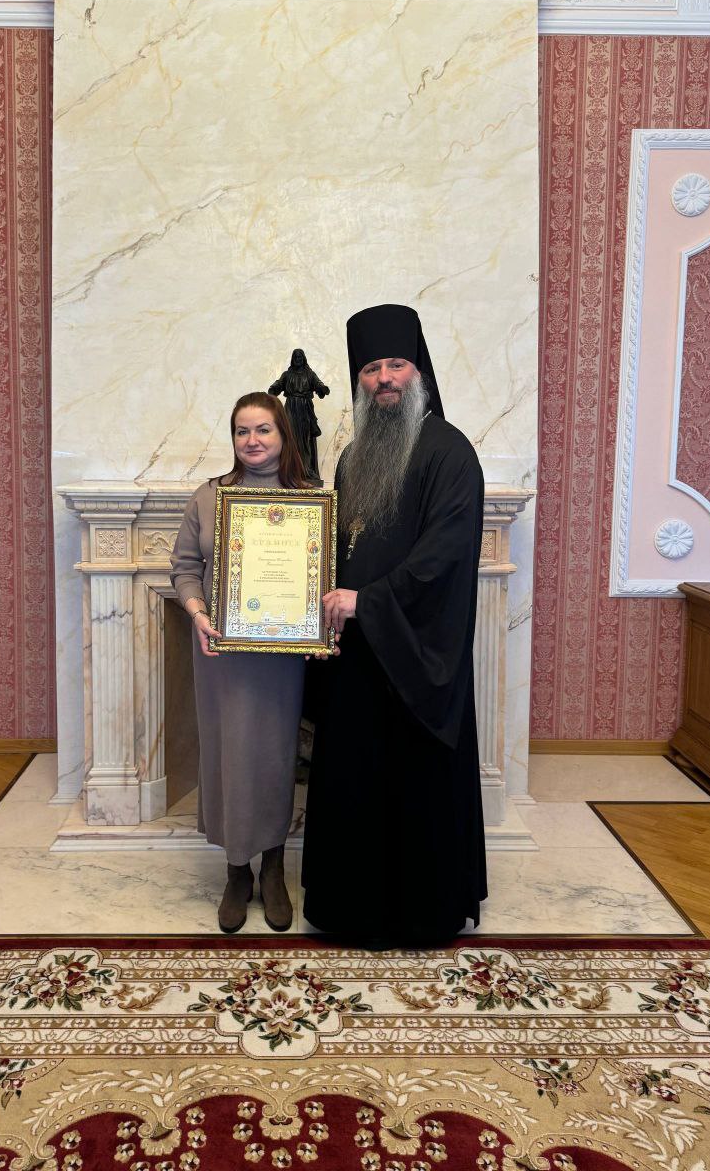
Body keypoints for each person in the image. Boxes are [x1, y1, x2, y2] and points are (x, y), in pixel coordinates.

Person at [301, 303, 487, 947]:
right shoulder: (353, 458)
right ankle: (347, 909)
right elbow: (342, 549)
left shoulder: (450, 453)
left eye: (396, 364)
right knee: (352, 778)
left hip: (413, 659)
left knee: (411, 786)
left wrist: (369, 602)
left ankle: (419, 915)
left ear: (419, 372)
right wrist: (317, 613)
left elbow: (443, 557)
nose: (384, 378)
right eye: (371, 367)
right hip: (358, 656)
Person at [170, 392, 315, 933]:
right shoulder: (209, 497)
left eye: (263, 429)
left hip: (281, 655)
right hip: (222, 650)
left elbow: (324, 577)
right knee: (228, 750)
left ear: (283, 435)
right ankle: (236, 870)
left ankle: (273, 866)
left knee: (275, 753)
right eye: (241, 431)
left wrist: (321, 625)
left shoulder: (310, 500)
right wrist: (197, 612)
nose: (252, 441)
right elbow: (184, 567)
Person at [269, 348, 330, 479]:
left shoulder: (310, 374)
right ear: (293, 359)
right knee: (290, 436)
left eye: (300, 357)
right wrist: (273, 389)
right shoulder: (287, 374)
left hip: (305, 408)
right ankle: (290, 470)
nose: (298, 359)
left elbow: (318, 383)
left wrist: (322, 388)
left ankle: (305, 469)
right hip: (290, 407)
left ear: (303, 359)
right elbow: (278, 384)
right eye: (296, 357)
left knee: (305, 439)